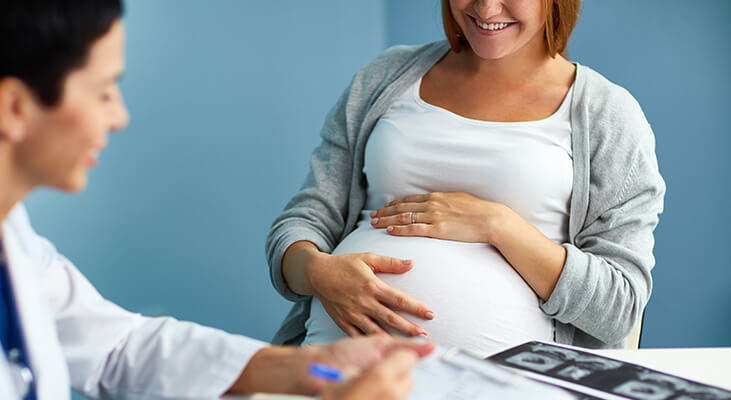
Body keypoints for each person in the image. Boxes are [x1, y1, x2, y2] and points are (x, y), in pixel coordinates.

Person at [0, 1, 434, 399]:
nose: (119, 116)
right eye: (103, 91)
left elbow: (116, 348)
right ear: (14, 107)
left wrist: (310, 368)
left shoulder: (16, 243)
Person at [266, 0, 665, 355]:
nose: (487, 9)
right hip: (330, 379)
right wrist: (317, 272)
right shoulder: (385, 77)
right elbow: (305, 219)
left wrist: (498, 225)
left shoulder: (609, 115)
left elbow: (619, 307)